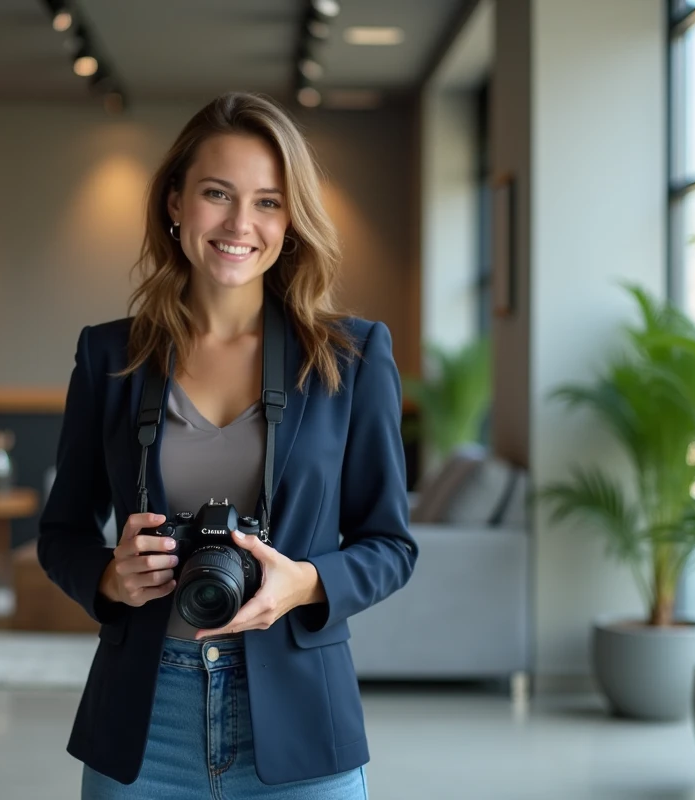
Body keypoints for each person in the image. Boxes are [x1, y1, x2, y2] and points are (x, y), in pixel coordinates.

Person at [38, 91, 417, 799]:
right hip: (143, 725)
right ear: (175, 202)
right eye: (218, 194)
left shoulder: (353, 355)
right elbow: (61, 532)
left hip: (302, 723)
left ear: (291, 220)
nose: (241, 224)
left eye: (269, 202)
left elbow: (390, 545)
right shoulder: (108, 356)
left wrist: (304, 582)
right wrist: (107, 578)